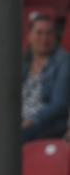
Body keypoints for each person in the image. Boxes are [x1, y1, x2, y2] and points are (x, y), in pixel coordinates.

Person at [22, 15, 70, 143]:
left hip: (46, 124)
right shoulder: (25, 63)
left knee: (5, 143)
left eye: (49, 33)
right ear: (30, 36)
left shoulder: (63, 62)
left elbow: (59, 104)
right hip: (20, 122)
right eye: (39, 33)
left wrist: (32, 120)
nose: (44, 38)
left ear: (55, 37)